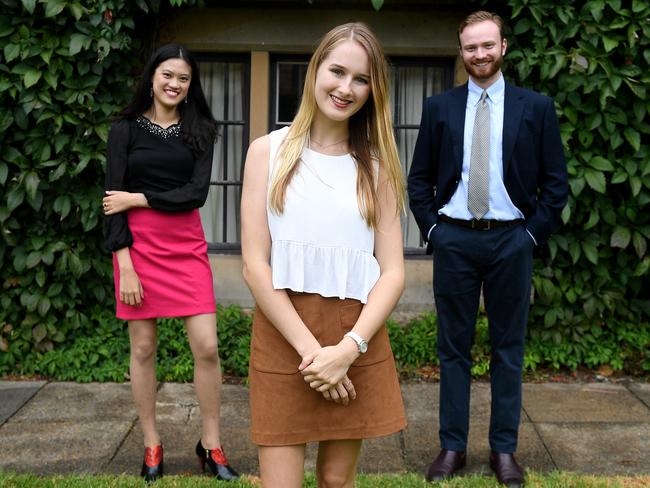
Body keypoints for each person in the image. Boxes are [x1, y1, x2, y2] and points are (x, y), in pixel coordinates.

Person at [241, 22, 407, 488]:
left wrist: (347, 350)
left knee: (337, 479)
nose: (346, 88)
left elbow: (393, 272)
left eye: (361, 79)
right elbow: (255, 265)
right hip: (283, 334)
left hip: (354, 335)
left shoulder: (377, 166)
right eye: (337, 71)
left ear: (374, 90)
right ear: (316, 69)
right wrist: (315, 354)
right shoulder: (266, 152)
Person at [407, 11, 568, 488]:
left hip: (511, 240)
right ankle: (452, 447)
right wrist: (435, 232)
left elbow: (555, 186)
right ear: (462, 52)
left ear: (503, 47)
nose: (479, 54)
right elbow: (419, 181)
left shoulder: (535, 107)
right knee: (452, 349)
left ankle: (504, 451)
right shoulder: (440, 107)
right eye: (470, 47)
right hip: (455, 238)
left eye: (487, 45)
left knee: (508, 350)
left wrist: (530, 237)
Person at [103, 43, 239, 483]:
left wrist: (139, 197)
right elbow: (110, 203)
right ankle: (151, 442)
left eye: (183, 78)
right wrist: (123, 264)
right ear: (152, 76)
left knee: (207, 347)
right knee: (142, 348)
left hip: (186, 248)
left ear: (190, 83)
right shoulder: (124, 130)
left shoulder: (200, 129)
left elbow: (195, 194)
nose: (175, 84)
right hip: (137, 252)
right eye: (167, 75)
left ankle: (211, 444)